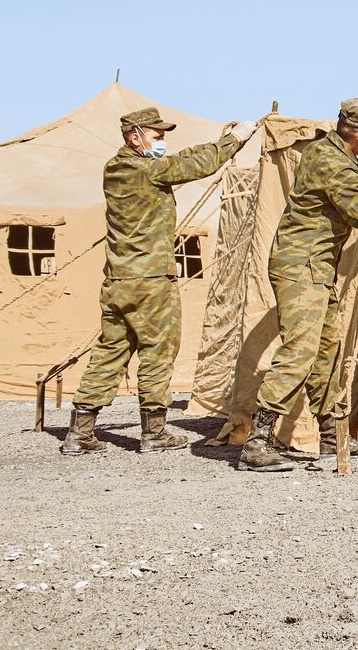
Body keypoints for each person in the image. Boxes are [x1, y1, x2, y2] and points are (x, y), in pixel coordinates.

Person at [61, 107, 251, 456]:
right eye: (157, 136)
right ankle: (154, 433)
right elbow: (191, 166)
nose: (162, 142)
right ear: (135, 137)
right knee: (157, 351)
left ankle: (80, 433)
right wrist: (234, 142)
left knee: (110, 351)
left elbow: (179, 160)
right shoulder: (145, 170)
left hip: (119, 280)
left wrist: (219, 141)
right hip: (150, 279)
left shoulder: (118, 168)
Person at [237, 99, 358, 472]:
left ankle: (334, 438)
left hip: (315, 267)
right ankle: (258, 443)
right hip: (301, 267)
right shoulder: (334, 164)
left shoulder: (325, 147)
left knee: (325, 352)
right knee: (300, 352)